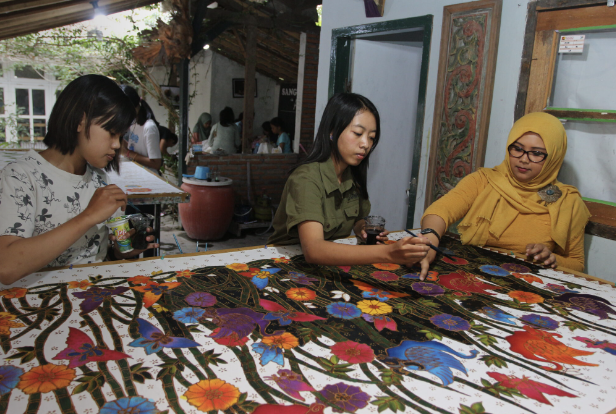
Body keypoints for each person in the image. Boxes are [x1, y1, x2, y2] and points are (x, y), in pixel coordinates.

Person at [0, 74, 159, 285]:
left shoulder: (99, 179)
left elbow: (99, 254)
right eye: (111, 133)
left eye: (120, 136)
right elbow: (6, 267)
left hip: (94, 296)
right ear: (79, 121)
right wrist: (88, 216)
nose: (116, 145)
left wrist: (124, 249)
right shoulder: (21, 177)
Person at [419, 112, 591, 279]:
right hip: (471, 273)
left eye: (537, 153)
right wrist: (429, 238)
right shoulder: (485, 180)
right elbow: (441, 210)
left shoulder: (567, 201)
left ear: (554, 156)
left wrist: (553, 260)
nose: (524, 159)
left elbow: (577, 263)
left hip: (526, 285)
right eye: (517, 149)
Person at [268, 93, 430, 267]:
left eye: (371, 137)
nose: (365, 144)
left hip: (327, 261)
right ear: (332, 132)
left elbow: (357, 219)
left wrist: (362, 229)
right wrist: (388, 253)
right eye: (358, 133)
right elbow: (313, 250)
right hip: (285, 263)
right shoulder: (306, 179)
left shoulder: (352, 175)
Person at [119, 85, 162, 174]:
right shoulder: (134, 124)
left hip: (149, 177)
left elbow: (156, 164)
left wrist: (128, 153)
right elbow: (135, 147)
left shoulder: (149, 127)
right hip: (137, 174)